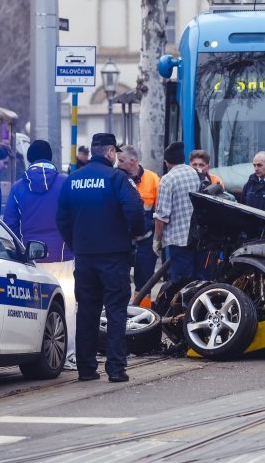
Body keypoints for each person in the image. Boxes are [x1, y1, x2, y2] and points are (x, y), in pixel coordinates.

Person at [56, 133, 144, 383]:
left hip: (84, 256)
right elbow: (135, 209)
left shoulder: (73, 180)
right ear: (110, 153)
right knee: (116, 310)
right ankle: (116, 369)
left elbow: (61, 218)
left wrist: (76, 244)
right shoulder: (117, 178)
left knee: (87, 310)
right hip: (114, 256)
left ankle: (85, 368)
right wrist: (134, 234)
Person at [4, 140, 77, 370]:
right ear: (51, 157)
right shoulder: (66, 184)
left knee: (31, 309)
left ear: (29, 159)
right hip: (63, 257)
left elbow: (9, 226)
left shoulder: (17, 188)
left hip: (30, 260)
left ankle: (33, 353)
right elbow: (75, 218)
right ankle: (68, 356)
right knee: (66, 305)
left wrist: (18, 253)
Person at [153, 141, 213, 283]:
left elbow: (161, 216)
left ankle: (185, 305)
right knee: (200, 280)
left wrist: (157, 240)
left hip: (179, 242)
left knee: (182, 282)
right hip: (199, 238)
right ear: (183, 159)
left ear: (166, 162)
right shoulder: (196, 174)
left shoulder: (167, 180)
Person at [117, 145, 161, 293]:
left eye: (121, 161)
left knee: (144, 285)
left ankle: (143, 314)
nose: (118, 164)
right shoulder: (116, 178)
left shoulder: (153, 179)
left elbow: (160, 210)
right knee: (120, 283)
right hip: (122, 240)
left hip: (146, 241)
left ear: (133, 161)